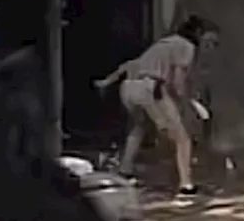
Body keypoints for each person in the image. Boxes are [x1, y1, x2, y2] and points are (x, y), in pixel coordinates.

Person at [94, 15, 219, 194]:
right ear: (199, 34)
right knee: (182, 139)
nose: (211, 47)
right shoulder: (187, 47)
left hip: (128, 88)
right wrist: (188, 102)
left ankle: (125, 170)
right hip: (151, 88)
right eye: (211, 41)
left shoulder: (163, 44)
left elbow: (129, 65)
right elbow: (178, 82)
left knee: (139, 127)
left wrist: (106, 82)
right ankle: (186, 184)